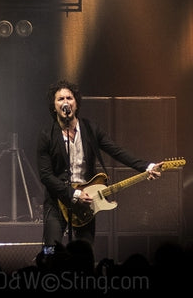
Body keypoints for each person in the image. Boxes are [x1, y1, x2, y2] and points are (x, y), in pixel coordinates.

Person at [36, 80, 161, 252]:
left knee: (84, 252)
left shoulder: (90, 129)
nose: (66, 102)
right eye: (60, 99)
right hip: (57, 201)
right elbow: (45, 175)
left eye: (69, 98)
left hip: (86, 201)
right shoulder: (47, 135)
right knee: (50, 252)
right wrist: (73, 193)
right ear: (54, 105)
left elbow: (117, 151)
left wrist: (146, 166)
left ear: (76, 103)